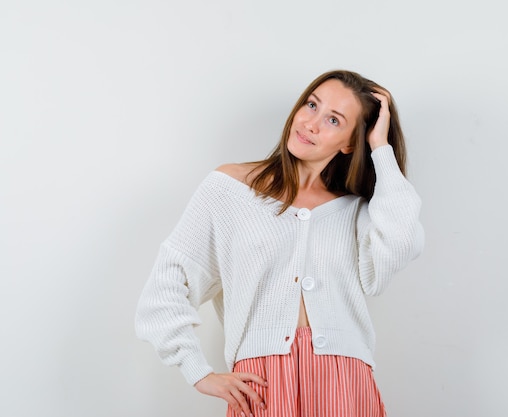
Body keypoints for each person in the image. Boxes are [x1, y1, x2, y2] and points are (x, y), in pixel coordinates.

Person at [135, 69, 425, 417]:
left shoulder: (358, 211)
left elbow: (403, 241)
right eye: (311, 105)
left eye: (333, 119)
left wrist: (381, 147)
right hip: (262, 387)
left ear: (350, 143)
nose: (311, 123)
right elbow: (166, 285)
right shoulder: (228, 190)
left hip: (346, 386)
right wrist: (198, 372)